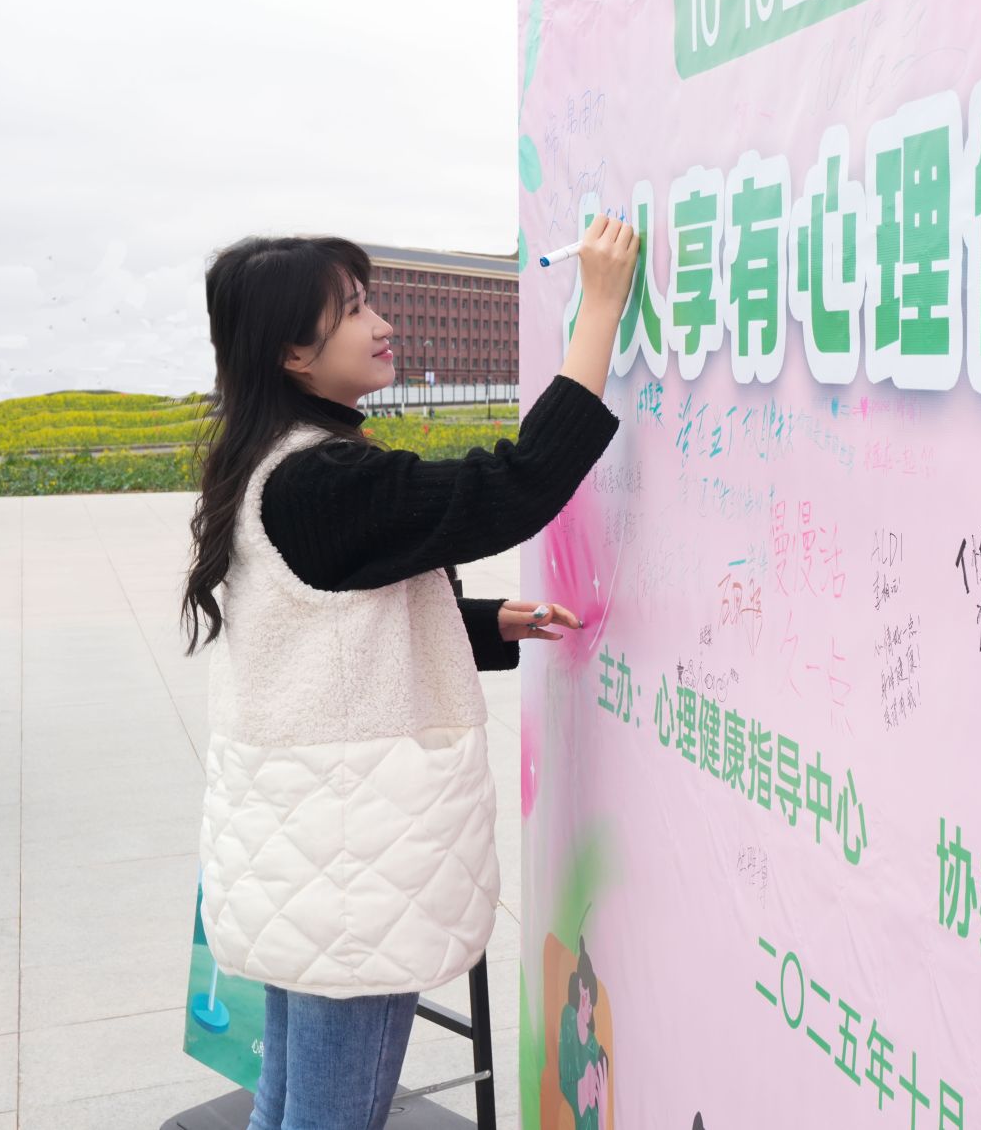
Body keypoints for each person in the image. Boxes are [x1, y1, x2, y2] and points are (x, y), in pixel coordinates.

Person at [180, 215, 639, 1130]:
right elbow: (515, 485)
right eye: (353, 309)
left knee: (288, 1107)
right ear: (293, 353)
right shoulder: (324, 481)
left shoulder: (265, 464)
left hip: (309, 854)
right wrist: (600, 309)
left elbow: (324, 630)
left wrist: (485, 622)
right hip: (351, 864)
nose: (382, 323)